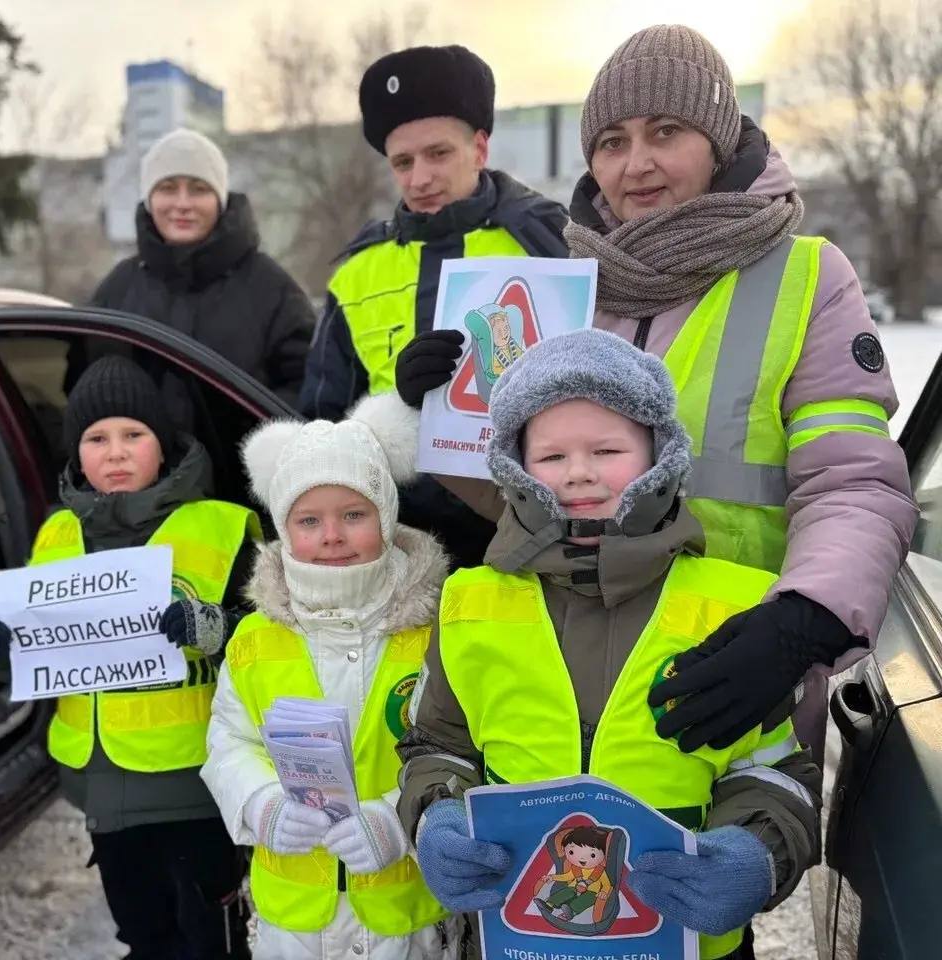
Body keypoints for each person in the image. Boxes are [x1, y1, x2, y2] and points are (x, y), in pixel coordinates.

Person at [393, 24, 917, 756]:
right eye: (610, 142)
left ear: (718, 141)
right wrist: (446, 413)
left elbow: (854, 483)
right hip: (567, 690)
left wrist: (805, 619)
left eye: (664, 131)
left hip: (736, 670)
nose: (635, 164)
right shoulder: (568, 288)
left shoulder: (805, 278)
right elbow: (532, 499)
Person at [397, 329, 821, 959]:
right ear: (516, 468)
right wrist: (436, 815)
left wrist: (759, 854)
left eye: (607, 448)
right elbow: (435, 744)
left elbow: (779, 769)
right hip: (515, 939)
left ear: (658, 455)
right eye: (552, 456)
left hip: (691, 942)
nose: (581, 473)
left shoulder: (739, 604)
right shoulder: (469, 602)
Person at [0, 354, 260, 959]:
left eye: (133, 435)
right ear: (76, 453)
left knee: (211, 939)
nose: (115, 452)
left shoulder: (223, 526)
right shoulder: (56, 534)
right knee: (142, 933)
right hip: (101, 789)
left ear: (164, 445)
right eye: (96, 438)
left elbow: (273, 642)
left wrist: (216, 628)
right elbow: (34, 653)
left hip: (195, 785)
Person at [202, 393, 454, 959]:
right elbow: (229, 742)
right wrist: (260, 804)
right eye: (309, 520)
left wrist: (398, 821)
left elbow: (465, 753)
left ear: (386, 519)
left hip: (405, 920)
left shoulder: (436, 634)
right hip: (291, 924)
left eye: (354, 515)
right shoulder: (257, 638)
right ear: (284, 529)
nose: (332, 535)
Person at [299, 44, 569, 566]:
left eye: (438, 154)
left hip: (538, 532)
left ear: (481, 147)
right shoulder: (356, 274)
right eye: (403, 162)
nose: (420, 178)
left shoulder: (549, 241)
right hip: (397, 544)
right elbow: (321, 425)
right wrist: (396, 412)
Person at [91, 127, 314, 408]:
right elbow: (86, 389)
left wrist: (254, 442)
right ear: (149, 200)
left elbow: (308, 389)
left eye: (199, 190)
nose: (183, 204)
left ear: (219, 200)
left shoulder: (272, 289)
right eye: (167, 188)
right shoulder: (119, 288)